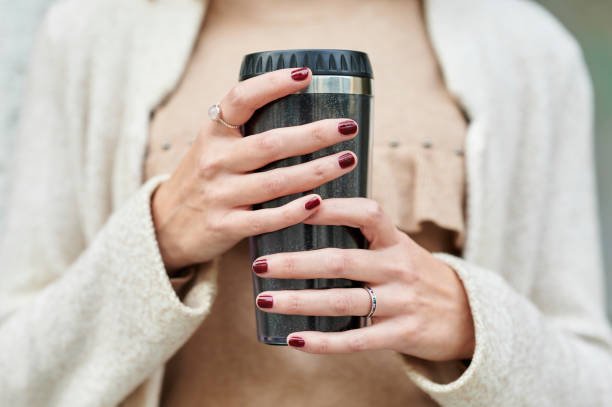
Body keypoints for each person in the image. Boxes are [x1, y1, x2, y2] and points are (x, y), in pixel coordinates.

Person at [1, 0, 611, 406]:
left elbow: (592, 380)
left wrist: (473, 324)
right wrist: (160, 236)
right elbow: (15, 375)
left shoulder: (527, 51)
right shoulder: (95, 32)